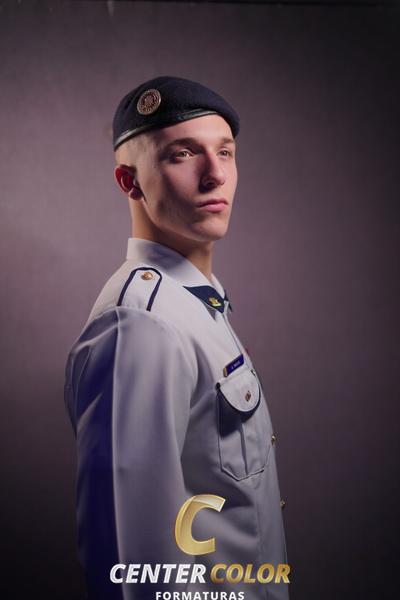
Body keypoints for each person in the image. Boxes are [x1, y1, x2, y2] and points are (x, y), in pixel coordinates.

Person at [65, 76, 289, 600]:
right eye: (183, 154)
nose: (216, 174)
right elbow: (134, 567)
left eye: (225, 152)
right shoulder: (142, 326)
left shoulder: (195, 301)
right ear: (130, 181)